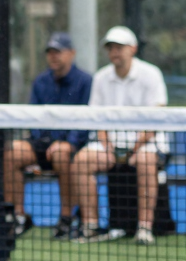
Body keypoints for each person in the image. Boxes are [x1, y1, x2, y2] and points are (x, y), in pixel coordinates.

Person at [70, 26, 168, 245]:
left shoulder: (151, 74)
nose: (114, 52)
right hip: (110, 145)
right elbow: (98, 120)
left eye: (119, 47)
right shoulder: (101, 77)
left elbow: (155, 120)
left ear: (132, 49)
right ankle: (91, 226)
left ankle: (144, 229)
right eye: (110, 48)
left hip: (147, 144)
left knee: (144, 160)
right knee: (81, 161)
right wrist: (108, 147)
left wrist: (132, 149)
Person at [3, 32, 91, 240]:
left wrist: (69, 143)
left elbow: (87, 119)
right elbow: (33, 117)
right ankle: (19, 216)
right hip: (41, 145)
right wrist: (41, 141)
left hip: (70, 146)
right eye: (50, 52)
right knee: (12, 152)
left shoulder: (86, 81)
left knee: (61, 153)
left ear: (72, 54)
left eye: (58, 52)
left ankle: (67, 218)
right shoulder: (40, 81)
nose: (53, 56)